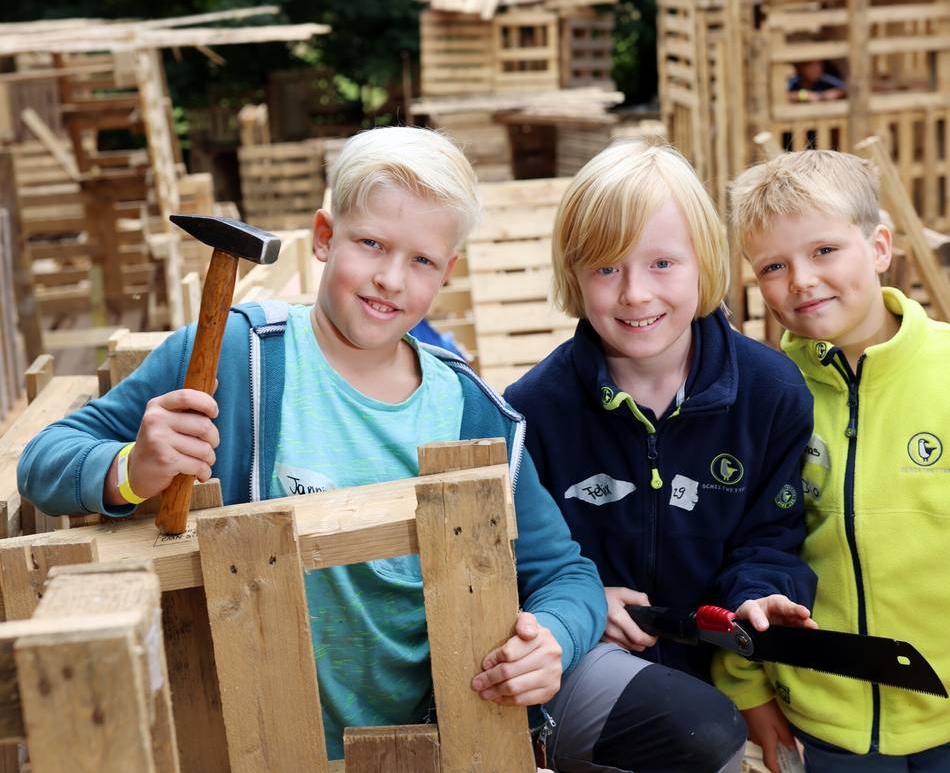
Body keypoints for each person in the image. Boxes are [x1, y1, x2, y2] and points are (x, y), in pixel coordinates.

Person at [17, 126, 608, 764]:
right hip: (247, 743)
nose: (390, 278)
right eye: (371, 243)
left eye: (422, 261)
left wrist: (552, 637)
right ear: (325, 236)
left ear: (447, 273)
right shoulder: (236, 358)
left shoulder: (471, 413)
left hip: (423, 748)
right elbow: (44, 459)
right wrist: (133, 468)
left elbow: (567, 574)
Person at [506, 140, 818, 773]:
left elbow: (772, 538)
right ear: (572, 276)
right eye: (606, 269)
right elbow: (520, 560)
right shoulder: (532, 411)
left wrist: (759, 597)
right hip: (597, 678)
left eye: (662, 264)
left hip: (725, 677)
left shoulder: (772, 393)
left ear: (704, 262)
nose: (635, 293)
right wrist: (581, 601)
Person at [726, 149, 950, 772]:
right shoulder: (761, 398)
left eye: (824, 250)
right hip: (826, 720)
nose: (801, 279)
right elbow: (739, 551)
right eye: (774, 265)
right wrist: (746, 687)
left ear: (879, 248)